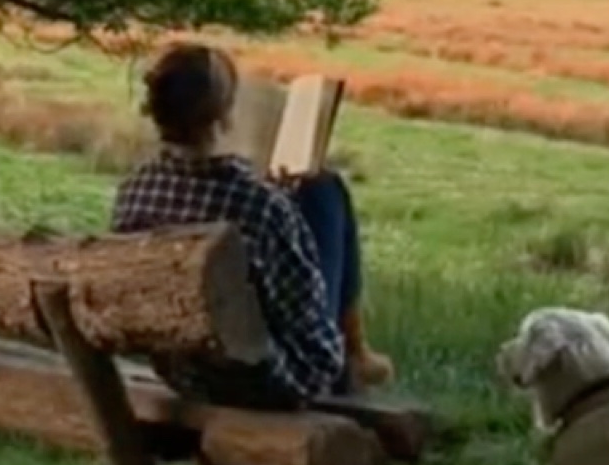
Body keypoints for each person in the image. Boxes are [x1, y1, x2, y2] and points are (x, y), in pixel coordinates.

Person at [110, 42, 395, 410]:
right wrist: (283, 209)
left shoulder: (134, 192)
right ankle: (355, 352)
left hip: (179, 371)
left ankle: (358, 352)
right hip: (259, 383)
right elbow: (314, 340)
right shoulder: (257, 204)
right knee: (324, 189)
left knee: (312, 196)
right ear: (225, 115)